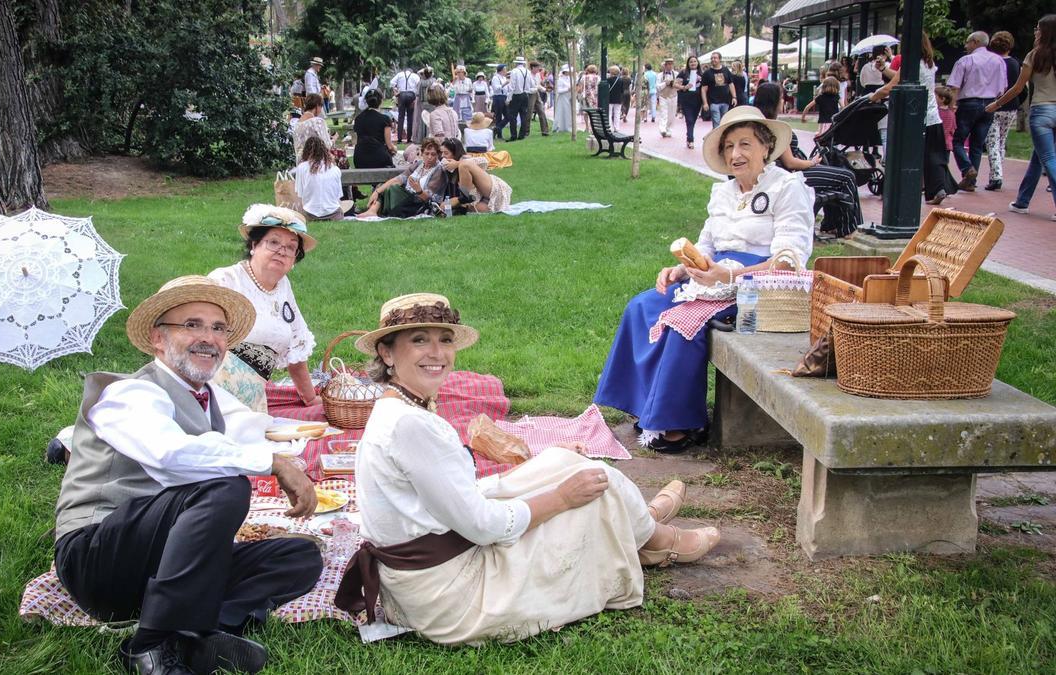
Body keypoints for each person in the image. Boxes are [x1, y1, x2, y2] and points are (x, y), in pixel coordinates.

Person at [333, 292, 721, 645]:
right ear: (387, 353)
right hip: (452, 599)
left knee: (564, 461)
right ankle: (654, 535)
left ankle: (644, 528)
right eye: (419, 340)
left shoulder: (401, 406)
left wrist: (543, 473)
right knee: (588, 496)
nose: (437, 352)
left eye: (444, 339)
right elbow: (483, 526)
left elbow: (446, 495)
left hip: (426, 575)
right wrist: (558, 497)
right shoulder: (408, 424)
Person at [53, 274, 323, 674]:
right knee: (225, 489)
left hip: (156, 567)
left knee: (298, 556)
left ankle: (195, 634)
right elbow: (168, 451)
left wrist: (279, 455)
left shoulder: (206, 395)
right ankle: (149, 646)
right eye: (192, 325)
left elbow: (241, 427)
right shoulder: (129, 393)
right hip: (97, 560)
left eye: (218, 329)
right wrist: (273, 462)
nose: (208, 338)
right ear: (158, 339)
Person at [595, 106, 814, 452]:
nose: (735, 154)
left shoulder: (788, 188)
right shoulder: (723, 193)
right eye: (729, 147)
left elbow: (789, 261)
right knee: (642, 306)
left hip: (758, 286)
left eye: (745, 144)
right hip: (713, 275)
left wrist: (729, 274)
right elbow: (707, 244)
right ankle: (648, 407)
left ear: (766, 147)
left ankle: (682, 423)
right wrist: (680, 269)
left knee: (684, 322)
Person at [209, 205, 322, 413]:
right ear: (254, 244)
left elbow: (295, 347)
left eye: (290, 247)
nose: (282, 250)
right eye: (274, 242)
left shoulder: (282, 285)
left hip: (253, 404)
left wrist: (311, 399)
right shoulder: (225, 280)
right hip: (212, 398)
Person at [754, 83, 863, 236]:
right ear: (774, 101)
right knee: (847, 177)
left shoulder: (756, 122)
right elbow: (790, 162)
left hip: (782, 174)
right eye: (780, 98)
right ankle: (851, 229)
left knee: (834, 176)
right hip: (791, 175)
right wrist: (812, 162)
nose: (782, 101)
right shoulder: (774, 127)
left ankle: (832, 224)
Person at [870, 32, 957, 206]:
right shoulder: (928, 63)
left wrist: (872, 97)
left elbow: (892, 85)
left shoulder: (911, 63)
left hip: (916, 117)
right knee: (935, 155)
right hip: (933, 116)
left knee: (906, 154)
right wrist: (883, 69)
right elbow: (898, 75)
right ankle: (938, 188)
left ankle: (900, 188)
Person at [988, 14, 1056, 219]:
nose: (1035, 31)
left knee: (1049, 158)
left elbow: (1018, 87)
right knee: (1039, 157)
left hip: (1042, 111)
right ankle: (1022, 201)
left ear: (1045, 32)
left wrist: (997, 104)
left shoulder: (1034, 55)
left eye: (1038, 28)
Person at [949, 31, 1008, 192]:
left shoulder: (966, 61)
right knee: (977, 144)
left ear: (975, 42)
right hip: (990, 105)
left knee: (958, 140)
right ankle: (971, 182)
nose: (966, 46)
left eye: (967, 42)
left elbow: (955, 86)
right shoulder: (999, 61)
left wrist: (952, 107)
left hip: (968, 103)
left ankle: (967, 169)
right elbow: (1003, 87)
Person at [359, 137, 448, 218]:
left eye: (433, 154)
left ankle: (387, 210)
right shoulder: (419, 164)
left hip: (418, 203)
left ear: (438, 155)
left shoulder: (439, 170)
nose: (429, 157)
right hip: (406, 196)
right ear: (422, 153)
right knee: (384, 185)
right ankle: (372, 211)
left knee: (393, 188)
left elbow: (429, 199)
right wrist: (377, 192)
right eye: (427, 153)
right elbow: (398, 179)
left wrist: (419, 190)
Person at [985, 31, 1022, 192]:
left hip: (995, 104)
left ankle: (996, 176)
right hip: (1011, 106)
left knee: (991, 140)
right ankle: (999, 170)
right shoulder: (1015, 64)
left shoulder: (992, 62)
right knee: (1001, 140)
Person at [437, 138, 513, 213]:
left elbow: (484, 161)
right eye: (442, 153)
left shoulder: (465, 160)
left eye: (446, 153)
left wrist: (457, 163)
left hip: (494, 188)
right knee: (466, 209)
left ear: (455, 153)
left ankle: (464, 198)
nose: (443, 156)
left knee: (464, 165)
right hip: (480, 198)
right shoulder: (446, 168)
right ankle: (464, 201)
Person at [292, 137, 346, 221]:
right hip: (333, 214)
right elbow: (337, 196)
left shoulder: (302, 168)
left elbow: (300, 194)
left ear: (306, 151)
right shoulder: (335, 169)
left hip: (310, 213)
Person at [352, 89, 397, 169]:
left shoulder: (358, 118)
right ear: (381, 101)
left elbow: (355, 141)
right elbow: (389, 145)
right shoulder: (385, 119)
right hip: (379, 157)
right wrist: (395, 149)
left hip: (359, 158)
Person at [701, 52, 737, 128]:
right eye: (712, 58)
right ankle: (716, 138)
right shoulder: (707, 73)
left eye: (715, 58)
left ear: (720, 59)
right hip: (713, 102)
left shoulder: (726, 70)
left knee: (724, 122)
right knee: (716, 122)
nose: (713, 59)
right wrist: (705, 103)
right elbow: (703, 89)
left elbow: (731, 84)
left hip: (725, 101)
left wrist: (734, 97)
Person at [292, 93, 333, 160]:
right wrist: (334, 139)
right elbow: (327, 145)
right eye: (321, 107)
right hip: (316, 162)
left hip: (301, 163)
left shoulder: (297, 125)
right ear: (317, 106)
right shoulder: (317, 122)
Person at [676, 55, 703, 149]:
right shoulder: (684, 73)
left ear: (697, 63)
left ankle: (689, 135)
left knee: (693, 120)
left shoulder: (701, 73)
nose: (693, 63)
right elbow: (675, 84)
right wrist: (684, 87)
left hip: (698, 100)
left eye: (695, 61)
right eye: (691, 62)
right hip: (686, 100)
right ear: (688, 63)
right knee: (689, 119)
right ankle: (691, 140)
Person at [390, 66, 420, 143]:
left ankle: (399, 138)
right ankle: (409, 138)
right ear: (411, 71)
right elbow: (418, 86)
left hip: (402, 95)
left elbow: (392, 83)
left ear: (404, 70)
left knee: (401, 117)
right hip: (411, 95)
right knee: (410, 117)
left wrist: (395, 90)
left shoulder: (399, 74)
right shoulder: (415, 76)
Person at [506, 57, 532, 141]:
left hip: (517, 95)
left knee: (513, 116)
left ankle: (513, 135)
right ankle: (522, 135)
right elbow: (531, 84)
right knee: (523, 115)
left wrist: (508, 98)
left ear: (516, 63)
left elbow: (512, 86)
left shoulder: (514, 71)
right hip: (525, 95)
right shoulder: (528, 71)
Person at [411, 67, 436, 143]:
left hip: (423, 103)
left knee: (422, 120)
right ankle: (430, 137)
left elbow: (418, 93)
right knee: (431, 120)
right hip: (432, 103)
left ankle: (421, 138)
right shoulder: (433, 81)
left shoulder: (421, 82)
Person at [655, 58, 678, 138]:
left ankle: (669, 129)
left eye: (671, 64)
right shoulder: (660, 75)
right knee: (664, 113)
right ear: (665, 65)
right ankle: (662, 129)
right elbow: (657, 87)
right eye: (668, 64)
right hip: (663, 96)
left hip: (673, 96)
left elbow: (678, 85)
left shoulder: (676, 74)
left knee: (672, 114)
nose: (669, 66)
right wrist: (665, 83)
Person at [526, 61, 550, 137]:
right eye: (537, 68)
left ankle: (545, 131)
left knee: (541, 111)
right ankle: (526, 132)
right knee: (529, 113)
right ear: (532, 68)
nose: (538, 69)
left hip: (536, 94)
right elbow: (527, 88)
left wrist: (544, 89)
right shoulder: (528, 76)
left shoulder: (537, 75)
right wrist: (536, 89)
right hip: (530, 94)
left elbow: (538, 85)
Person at [490, 65, 511, 139]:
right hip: (498, 97)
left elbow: (507, 89)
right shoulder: (495, 78)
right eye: (505, 69)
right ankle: (499, 134)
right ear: (501, 70)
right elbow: (496, 89)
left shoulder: (504, 78)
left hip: (504, 97)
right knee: (498, 116)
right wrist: (504, 83)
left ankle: (497, 128)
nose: (506, 71)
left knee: (508, 115)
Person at [578, 64, 601, 131]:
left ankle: (587, 127)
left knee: (586, 112)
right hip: (595, 96)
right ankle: (592, 126)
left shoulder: (584, 77)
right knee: (593, 112)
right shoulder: (598, 77)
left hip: (585, 95)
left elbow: (581, 87)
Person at [552, 64, 573, 133]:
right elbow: (559, 90)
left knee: (569, 113)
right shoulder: (560, 80)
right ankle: (560, 127)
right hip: (563, 98)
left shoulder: (571, 79)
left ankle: (568, 126)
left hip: (569, 97)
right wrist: (567, 89)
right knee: (562, 112)